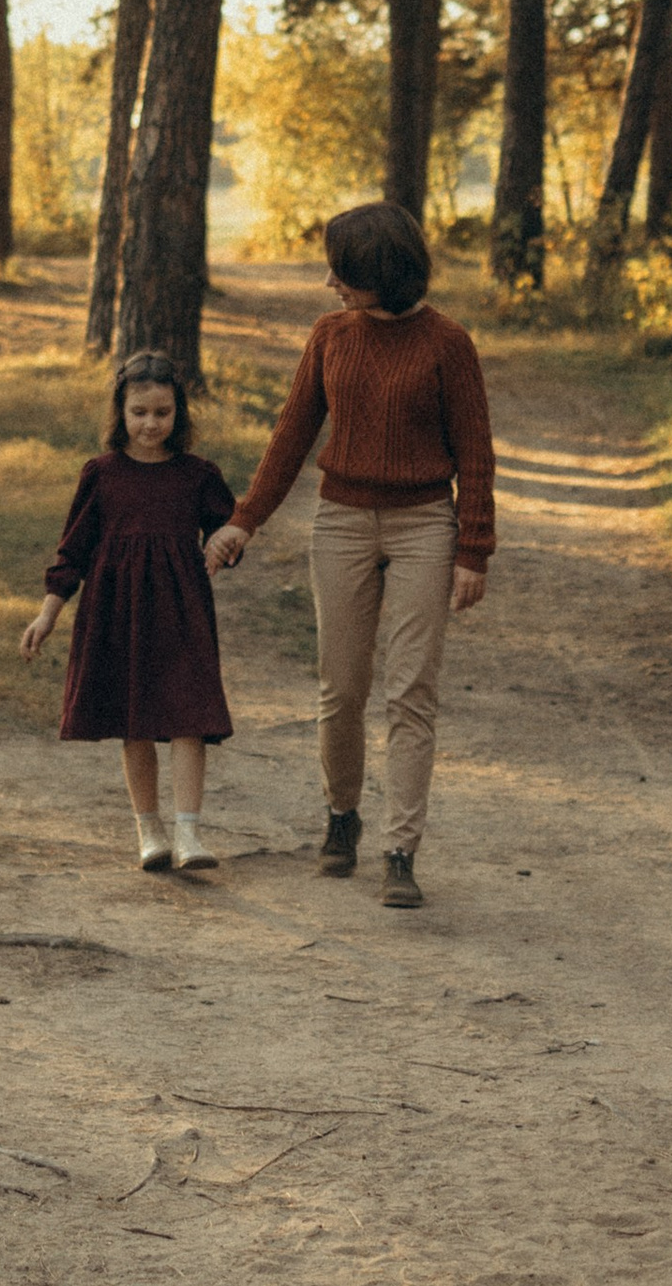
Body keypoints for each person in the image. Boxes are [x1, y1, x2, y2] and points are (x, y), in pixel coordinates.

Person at [207, 201, 494, 914]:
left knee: (411, 691)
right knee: (341, 686)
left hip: (424, 522)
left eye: (344, 272)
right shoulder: (329, 335)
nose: (330, 281)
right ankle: (342, 816)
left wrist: (473, 549)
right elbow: (291, 435)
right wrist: (245, 520)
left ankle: (401, 849)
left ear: (382, 276)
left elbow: (476, 453)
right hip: (341, 521)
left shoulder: (448, 344)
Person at [22, 348, 236, 874]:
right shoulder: (101, 474)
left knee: (189, 718)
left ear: (178, 414)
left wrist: (221, 547)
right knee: (134, 721)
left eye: (162, 413)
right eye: (139, 412)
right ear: (120, 412)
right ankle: (150, 829)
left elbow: (228, 530)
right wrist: (48, 613)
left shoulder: (197, 475)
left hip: (181, 612)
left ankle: (188, 831)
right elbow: (72, 552)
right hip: (118, 613)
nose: (150, 423)